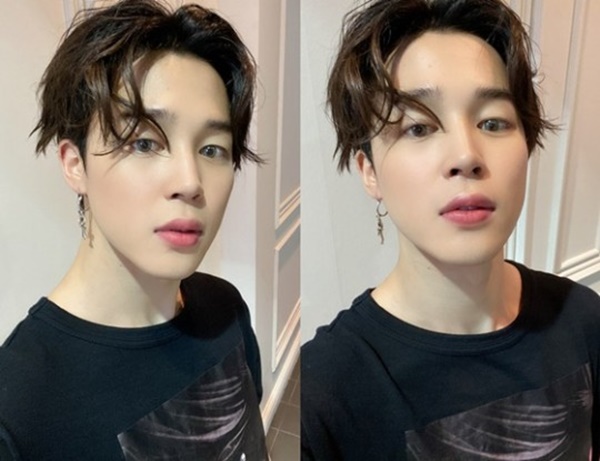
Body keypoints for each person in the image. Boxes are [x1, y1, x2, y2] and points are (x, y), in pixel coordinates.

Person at [301, 0, 600, 459]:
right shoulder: (327, 389)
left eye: (492, 122)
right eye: (419, 128)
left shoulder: (582, 318)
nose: (466, 155)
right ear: (369, 171)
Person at [0, 1, 267, 459]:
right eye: (144, 142)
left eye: (212, 149)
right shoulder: (20, 411)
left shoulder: (225, 309)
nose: (190, 182)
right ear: (74, 164)